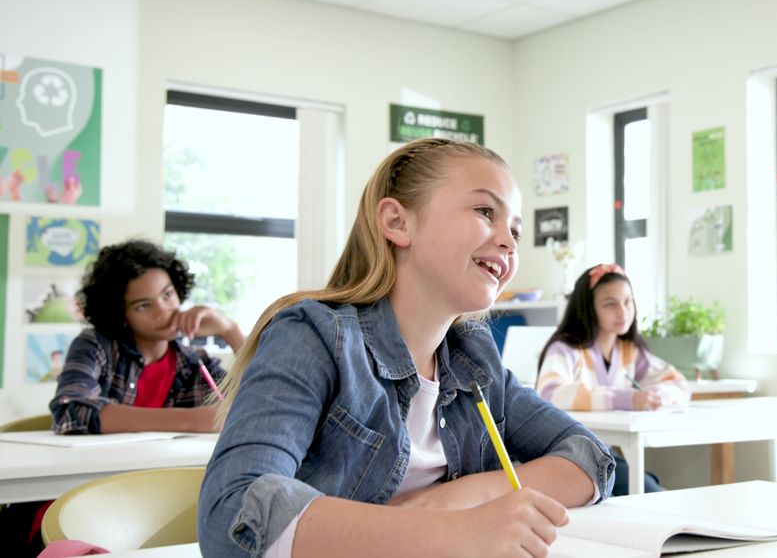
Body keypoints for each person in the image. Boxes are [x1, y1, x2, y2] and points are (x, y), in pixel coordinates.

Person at [198, 138, 615, 557]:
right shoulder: (313, 336)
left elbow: (591, 458)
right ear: (397, 223)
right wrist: (458, 531)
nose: (508, 241)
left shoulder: (473, 358)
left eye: (517, 231)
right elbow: (231, 514)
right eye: (486, 212)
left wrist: (457, 499)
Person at [50, 239, 245, 434]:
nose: (163, 312)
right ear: (121, 314)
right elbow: (70, 412)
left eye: (167, 294)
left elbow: (260, 401)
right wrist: (190, 420)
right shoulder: (96, 346)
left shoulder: (194, 363)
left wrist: (229, 331)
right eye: (143, 305)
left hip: (169, 464)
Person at [536, 263, 690, 495]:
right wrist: (628, 399)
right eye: (610, 304)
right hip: (565, 457)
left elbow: (678, 384)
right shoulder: (566, 349)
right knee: (651, 491)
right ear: (588, 308)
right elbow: (550, 392)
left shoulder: (629, 351)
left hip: (604, 456)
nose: (623, 311)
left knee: (650, 487)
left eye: (628, 302)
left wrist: (653, 397)